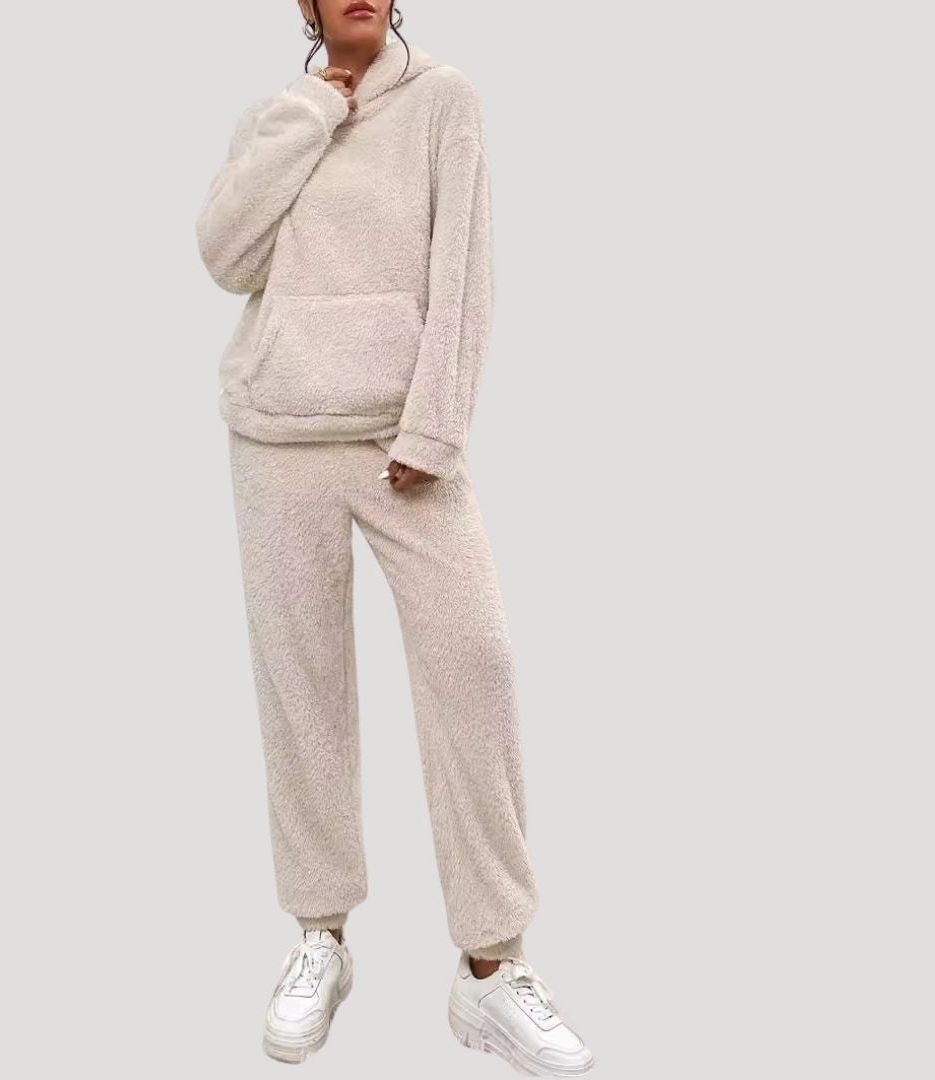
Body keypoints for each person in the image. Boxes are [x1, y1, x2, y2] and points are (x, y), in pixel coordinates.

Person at [194, 3, 594, 1074]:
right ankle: (319, 936)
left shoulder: (445, 101)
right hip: (276, 435)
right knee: (303, 687)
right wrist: (307, 117)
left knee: (476, 661)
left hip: (400, 442)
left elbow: (464, 271)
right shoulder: (276, 116)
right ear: (306, 4)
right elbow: (226, 258)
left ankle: (491, 967)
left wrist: (435, 426)